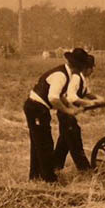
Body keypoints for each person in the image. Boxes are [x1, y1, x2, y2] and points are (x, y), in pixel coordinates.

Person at [24, 48, 89, 183]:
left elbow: (61, 96)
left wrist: (71, 107)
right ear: (78, 67)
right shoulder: (61, 75)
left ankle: (35, 176)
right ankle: (49, 180)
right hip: (36, 107)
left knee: (38, 143)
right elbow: (53, 98)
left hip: (38, 108)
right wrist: (68, 111)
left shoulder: (67, 74)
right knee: (45, 144)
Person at [54, 55, 103, 172]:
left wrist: (98, 98)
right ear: (86, 68)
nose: (93, 71)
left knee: (64, 141)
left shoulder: (82, 78)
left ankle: (55, 165)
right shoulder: (76, 78)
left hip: (68, 113)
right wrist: (89, 103)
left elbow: (87, 92)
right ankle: (84, 169)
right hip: (66, 112)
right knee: (75, 139)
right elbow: (71, 98)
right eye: (92, 68)